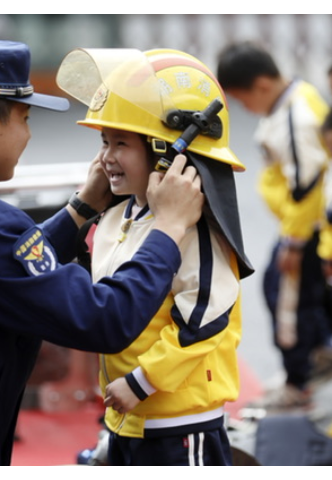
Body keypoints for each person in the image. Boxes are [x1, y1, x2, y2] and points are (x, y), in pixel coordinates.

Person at [0, 40, 206, 466]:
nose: (29, 134)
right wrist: (168, 226)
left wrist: (80, 208)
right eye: (25, 118)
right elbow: (104, 318)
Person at [58, 48, 253, 467]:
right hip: (127, 417)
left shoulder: (196, 227)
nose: (107, 157)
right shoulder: (117, 214)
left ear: (166, 151)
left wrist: (143, 382)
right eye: (103, 141)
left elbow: (205, 317)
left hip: (181, 425)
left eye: (121, 143)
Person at [218, 42, 331, 409]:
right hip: (304, 227)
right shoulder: (294, 98)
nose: (242, 108)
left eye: (242, 98)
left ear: (262, 86)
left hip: (308, 229)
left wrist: (295, 242)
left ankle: (298, 381)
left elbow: (308, 183)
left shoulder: (297, 117)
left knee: (285, 298)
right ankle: (317, 355)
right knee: (305, 296)